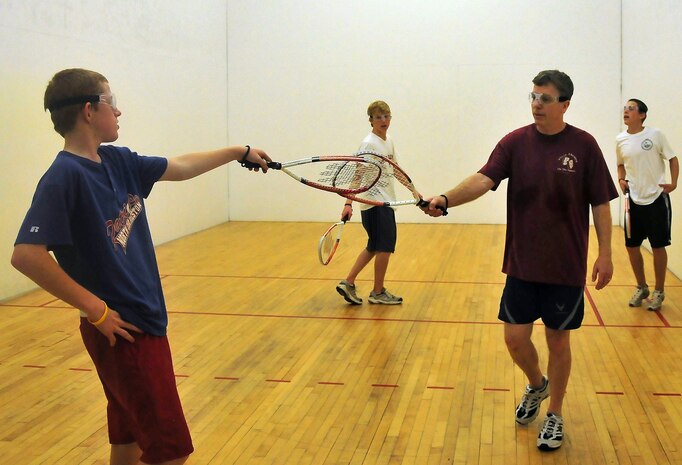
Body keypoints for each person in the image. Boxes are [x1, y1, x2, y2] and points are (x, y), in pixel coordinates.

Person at [10, 68, 271, 465]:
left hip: (138, 324)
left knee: (129, 440)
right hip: (124, 331)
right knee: (170, 452)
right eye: (111, 103)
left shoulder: (117, 160)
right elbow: (26, 254)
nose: (119, 111)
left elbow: (180, 166)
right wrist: (97, 311)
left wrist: (237, 152)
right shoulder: (64, 177)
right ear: (88, 110)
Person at [422, 70, 618, 451]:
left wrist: (606, 253)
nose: (536, 104)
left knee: (558, 341)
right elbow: (483, 178)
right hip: (522, 264)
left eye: (545, 98)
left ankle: (555, 414)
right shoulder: (514, 143)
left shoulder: (584, 146)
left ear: (565, 104)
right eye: (532, 96)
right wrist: (446, 199)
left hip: (565, 267)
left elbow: (600, 203)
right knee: (514, 338)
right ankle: (536, 384)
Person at [335, 100, 403, 305]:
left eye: (386, 116)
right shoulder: (368, 144)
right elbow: (357, 174)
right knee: (384, 247)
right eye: (378, 117)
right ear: (370, 121)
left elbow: (396, 168)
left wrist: (414, 191)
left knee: (374, 246)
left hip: (385, 202)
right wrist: (348, 204)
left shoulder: (388, 140)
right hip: (375, 203)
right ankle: (378, 292)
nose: (383, 120)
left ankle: (348, 282)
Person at [616, 99, 678, 311]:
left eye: (631, 108)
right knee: (631, 247)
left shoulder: (655, 135)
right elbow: (620, 165)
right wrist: (621, 179)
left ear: (642, 115)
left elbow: (672, 158)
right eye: (625, 108)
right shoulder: (621, 139)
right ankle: (642, 287)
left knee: (658, 246)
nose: (626, 111)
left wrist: (674, 182)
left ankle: (658, 291)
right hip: (633, 200)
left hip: (656, 199)